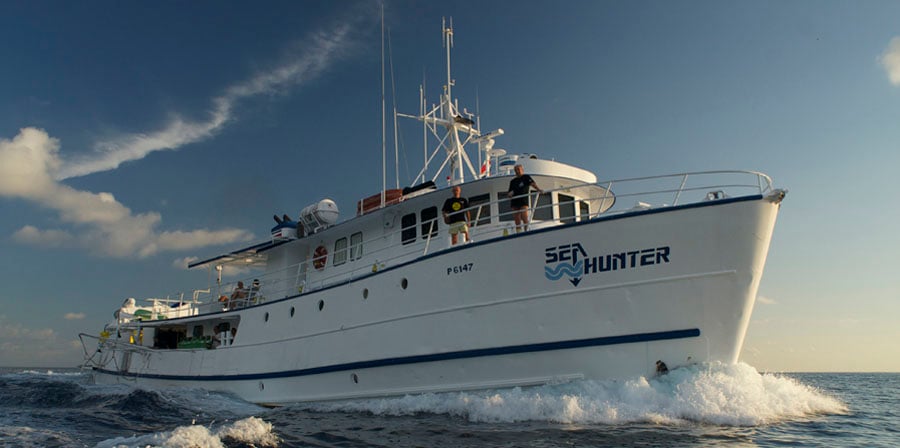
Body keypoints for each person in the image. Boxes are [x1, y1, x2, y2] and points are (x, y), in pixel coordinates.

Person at [507, 164, 543, 232]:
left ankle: (526, 231)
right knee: (517, 219)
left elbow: (532, 184)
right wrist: (510, 194)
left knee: (524, 216)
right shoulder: (513, 181)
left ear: (522, 170)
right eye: (516, 170)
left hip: (523, 200)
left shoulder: (526, 177)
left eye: (519, 169)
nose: (517, 171)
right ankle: (519, 232)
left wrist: (538, 189)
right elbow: (509, 193)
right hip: (515, 201)